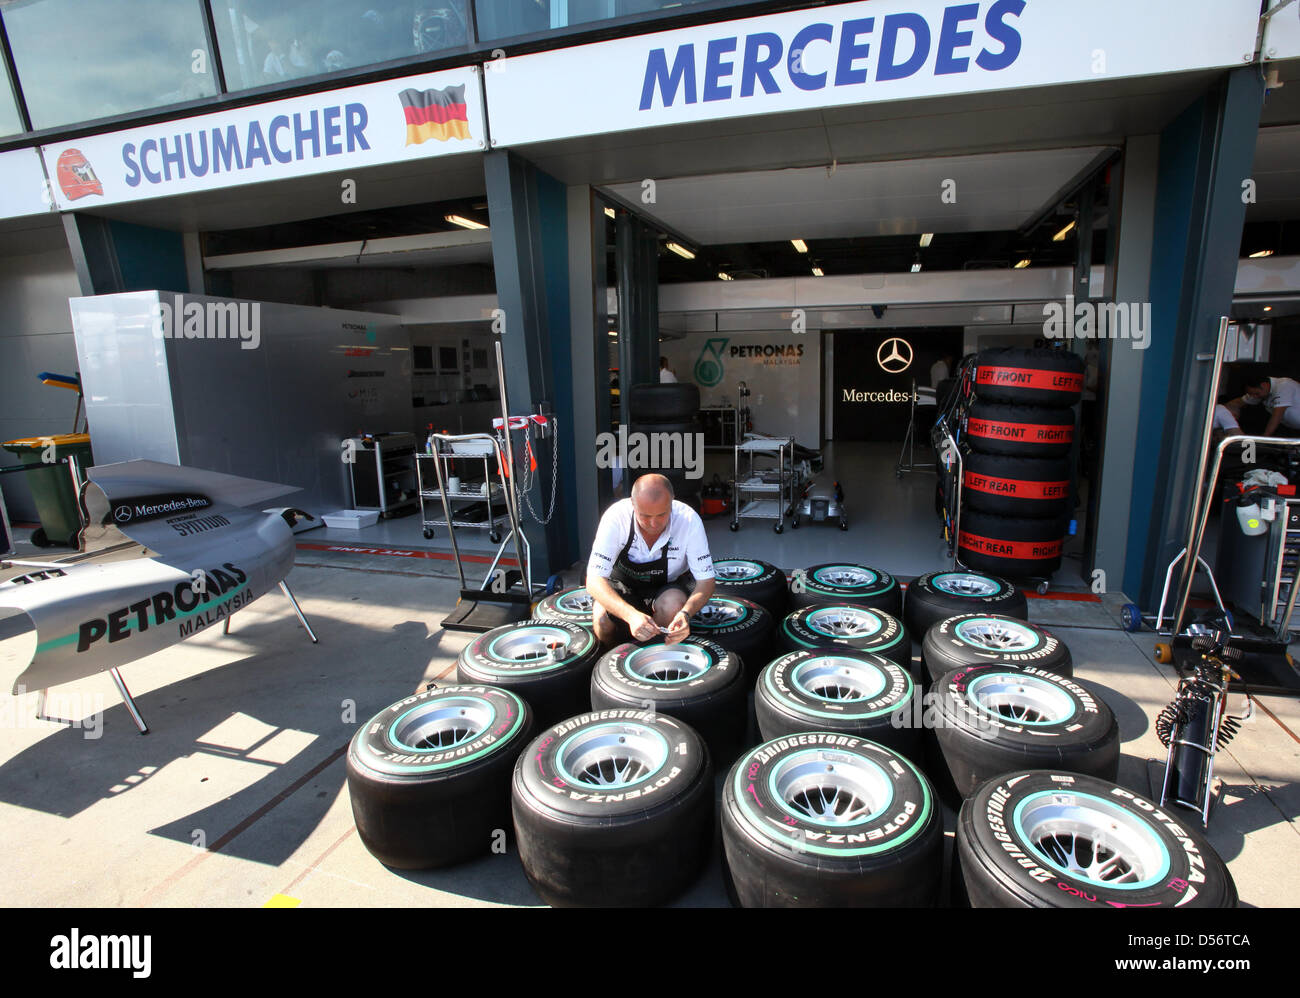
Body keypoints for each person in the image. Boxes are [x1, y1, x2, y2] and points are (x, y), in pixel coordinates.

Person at [586, 473, 715, 645]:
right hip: (621, 584)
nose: (653, 524)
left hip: (665, 587)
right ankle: (609, 656)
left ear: (672, 503)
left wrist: (686, 613)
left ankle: (650, 652)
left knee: (673, 607)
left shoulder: (689, 520)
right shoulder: (615, 517)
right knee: (602, 620)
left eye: (661, 515)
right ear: (633, 504)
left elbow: (706, 581)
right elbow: (593, 581)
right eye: (645, 516)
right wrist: (630, 615)